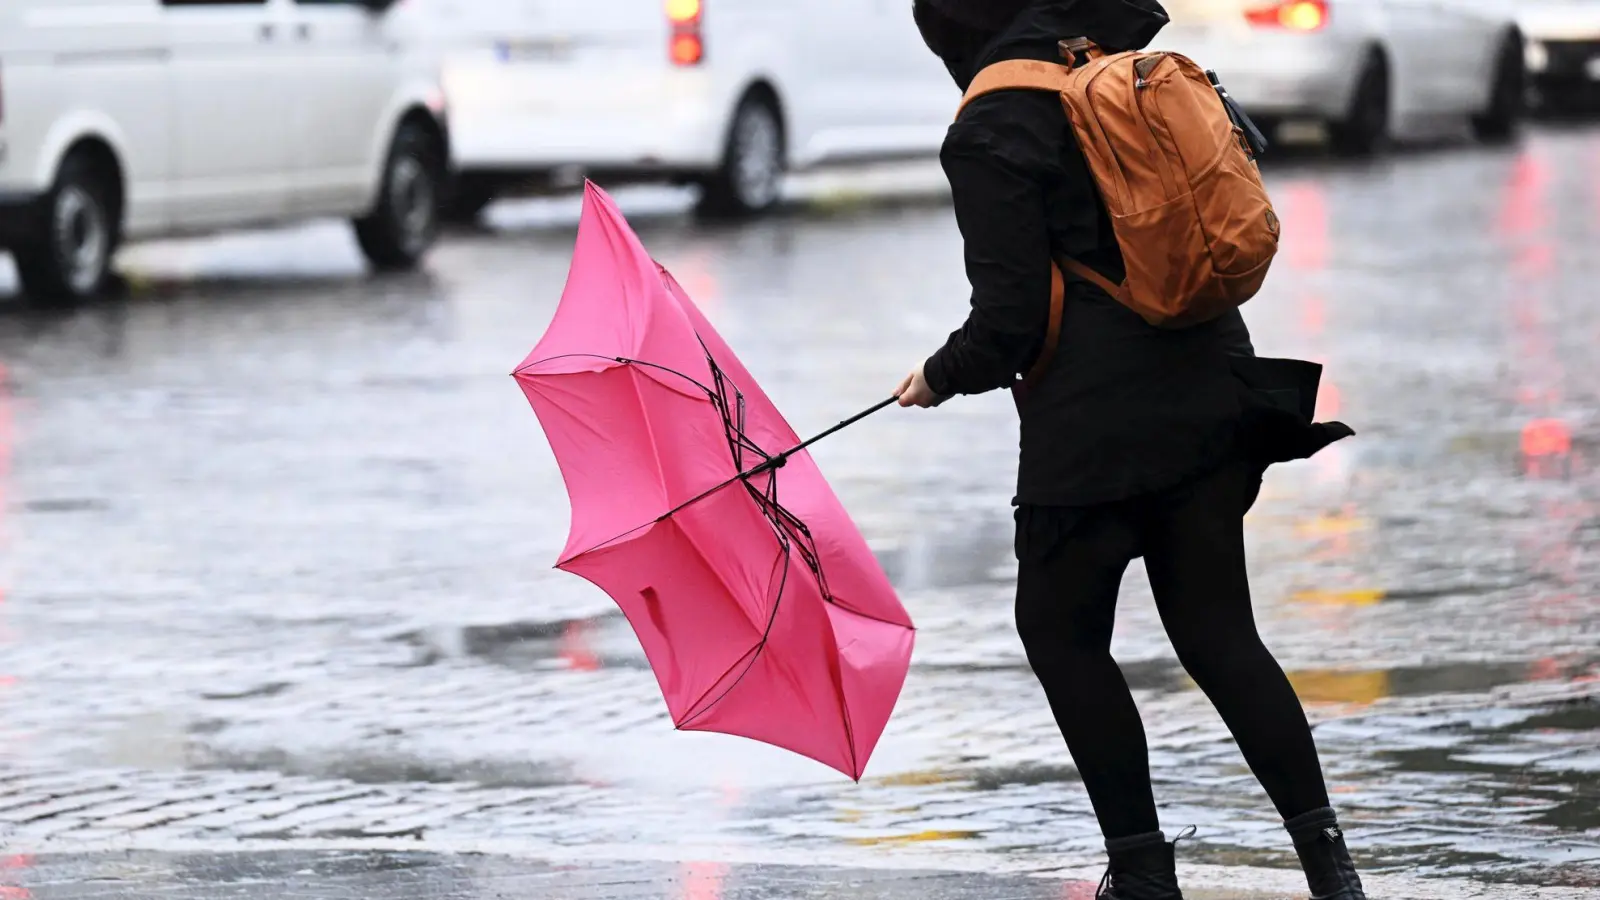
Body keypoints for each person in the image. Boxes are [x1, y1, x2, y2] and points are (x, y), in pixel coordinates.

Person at [894, 2, 1364, 899]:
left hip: (1095, 425)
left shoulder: (991, 123)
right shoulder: (1104, 48)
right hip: (1214, 381)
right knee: (1222, 634)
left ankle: (1144, 871)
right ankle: (1330, 866)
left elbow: (1008, 325)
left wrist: (935, 374)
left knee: (1059, 633)